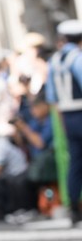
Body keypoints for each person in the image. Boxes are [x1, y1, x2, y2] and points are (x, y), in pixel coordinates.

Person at [44, 19, 82, 225]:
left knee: (75, 163)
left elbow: (52, 97)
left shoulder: (55, 61)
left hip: (67, 116)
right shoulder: (77, 58)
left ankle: (74, 207)